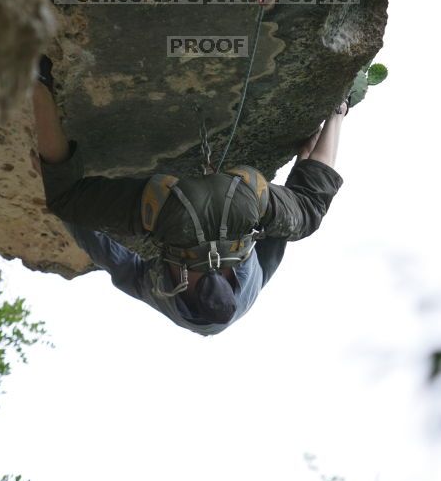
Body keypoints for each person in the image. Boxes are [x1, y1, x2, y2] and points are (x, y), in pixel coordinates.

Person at [31, 56, 347, 336]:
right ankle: (36, 79)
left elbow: (289, 222)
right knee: (66, 198)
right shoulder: (162, 299)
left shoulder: (250, 292)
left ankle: (339, 110)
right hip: (170, 208)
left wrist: (305, 159)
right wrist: (60, 195)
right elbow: (107, 253)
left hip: (244, 194)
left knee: (311, 209)